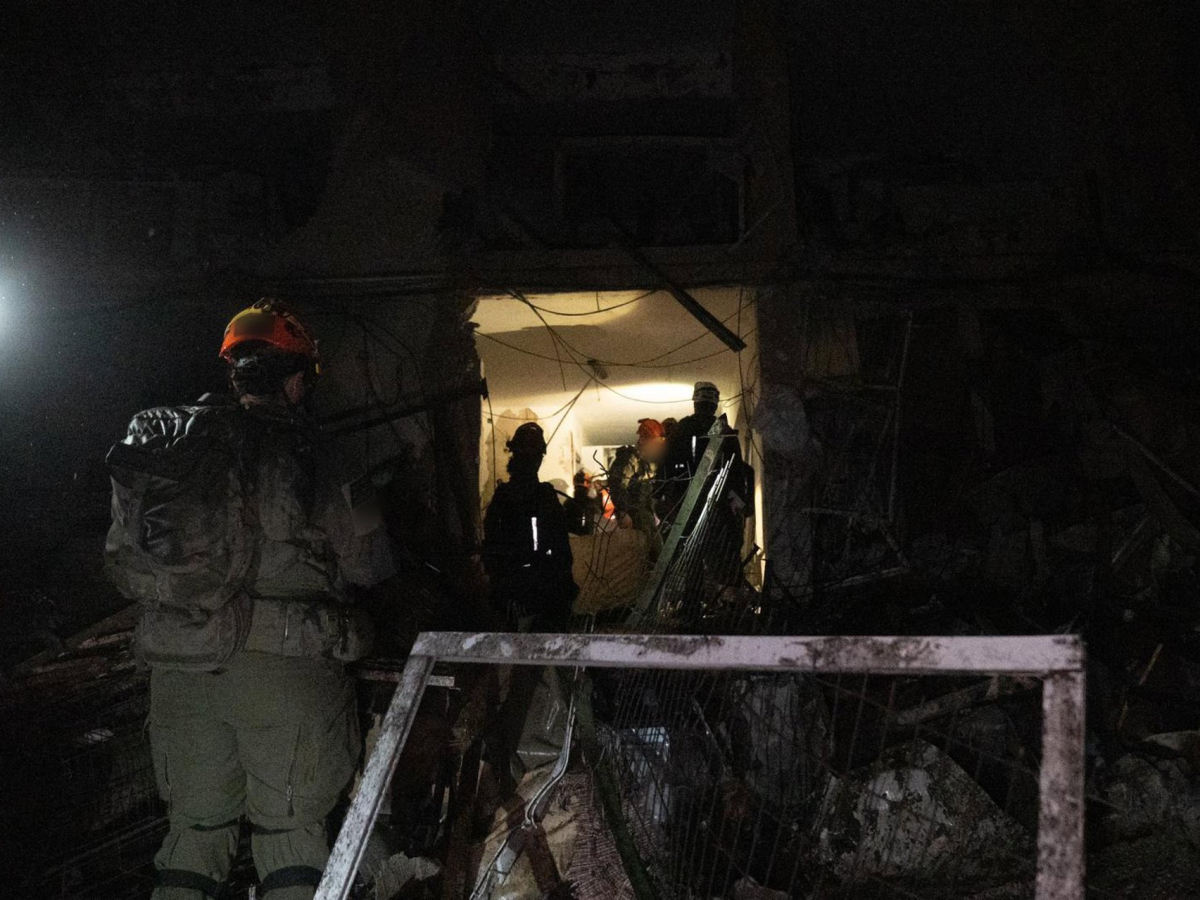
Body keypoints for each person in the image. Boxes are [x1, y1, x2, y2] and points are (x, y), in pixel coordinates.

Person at [105, 299, 395, 900]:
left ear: (234, 372)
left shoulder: (174, 453)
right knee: (290, 839)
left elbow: (123, 560)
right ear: (297, 381)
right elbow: (370, 565)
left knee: (193, 838)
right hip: (285, 676)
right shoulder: (325, 455)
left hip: (183, 672)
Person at [481, 422, 577, 629]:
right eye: (528, 454)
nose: (532, 459)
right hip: (521, 592)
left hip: (539, 590)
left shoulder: (540, 496)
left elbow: (560, 547)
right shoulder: (511, 496)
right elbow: (493, 546)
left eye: (533, 454)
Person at [609, 418, 667, 547]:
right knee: (647, 548)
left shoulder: (650, 461)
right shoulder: (629, 460)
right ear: (643, 440)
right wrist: (623, 512)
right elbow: (617, 486)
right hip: (633, 513)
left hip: (646, 512)